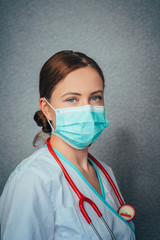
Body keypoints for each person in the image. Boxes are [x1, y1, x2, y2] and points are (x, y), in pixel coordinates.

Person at [0, 50, 135, 240]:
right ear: (47, 109)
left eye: (95, 97)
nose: (87, 109)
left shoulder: (105, 173)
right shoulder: (32, 180)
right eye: (72, 99)